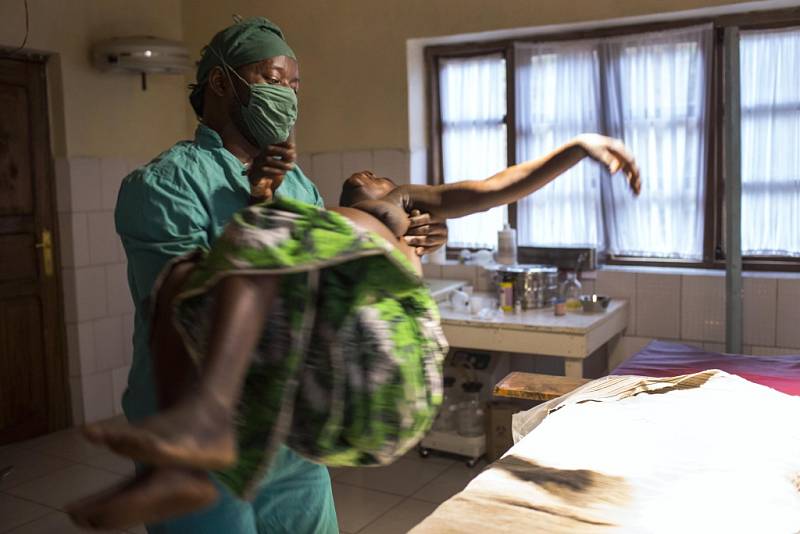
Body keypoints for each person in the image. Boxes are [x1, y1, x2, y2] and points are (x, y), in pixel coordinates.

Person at [68, 133, 640, 530]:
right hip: (337, 399)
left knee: (250, 241)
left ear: (400, 197)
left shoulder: (397, 205)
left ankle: (202, 430)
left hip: (388, 364)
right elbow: (278, 303)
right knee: (182, 285)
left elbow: (496, 186)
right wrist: (265, 200)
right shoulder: (329, 231)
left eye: (378, 177)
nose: (366, 175)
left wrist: (575, 148)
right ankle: (186, 455)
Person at [114, 15, 448, 534]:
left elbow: (323, 287)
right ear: (222, 83)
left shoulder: (299, 186)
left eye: (295, 84)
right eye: (274, 80)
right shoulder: (165, 185)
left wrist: (393, 247)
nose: (289, 96)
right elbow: (191, 311)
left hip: (290, 432)